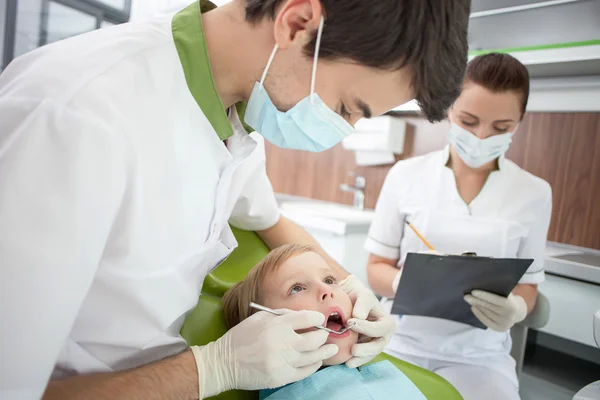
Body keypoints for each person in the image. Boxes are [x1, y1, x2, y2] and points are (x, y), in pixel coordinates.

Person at [0, 0, 471, 398]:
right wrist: (211, 369)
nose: (343, 129)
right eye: (347, 107)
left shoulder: (240, 114)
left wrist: (352, 288)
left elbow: (269, 219)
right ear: (297, 22)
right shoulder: (72, 115)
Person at [366, 53, 553, 400]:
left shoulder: (535, 193)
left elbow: (528, 286)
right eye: (469, 121)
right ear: (450, 109)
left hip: (480, 357)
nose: (482, 137)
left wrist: (514, 309)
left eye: (501, 127)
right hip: (400, 342)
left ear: (519, 121)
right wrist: (403, 283)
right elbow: (375, 267)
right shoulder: (406, 176)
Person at [222, 244, 426, 400]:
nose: (326, 290)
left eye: (329, 280)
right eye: (297, 288)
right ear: (261, 327)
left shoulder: (380, 375)